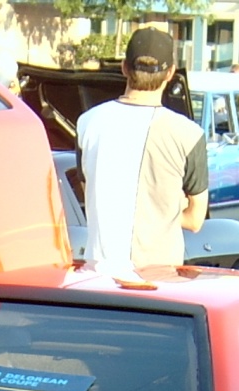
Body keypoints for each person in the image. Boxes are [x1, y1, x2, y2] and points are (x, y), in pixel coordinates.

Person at [77, 27, 208, 273]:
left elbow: (89, 193)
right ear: (170, 73)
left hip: (98, 276)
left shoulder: (88, 122)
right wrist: (167, 207)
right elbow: (195, 220)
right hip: (159, 284)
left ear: (124, 67)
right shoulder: (189, 134)